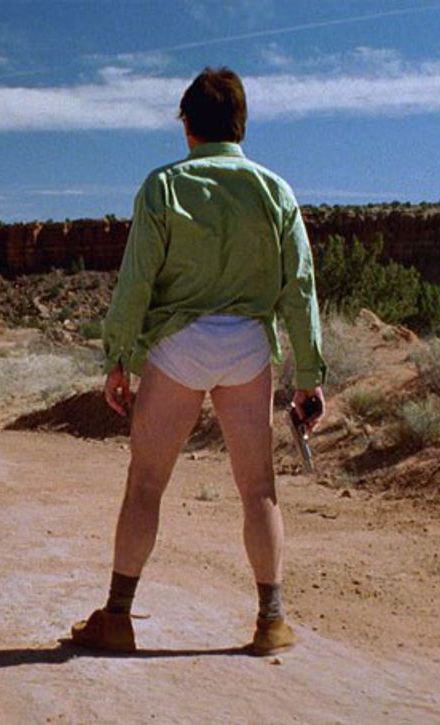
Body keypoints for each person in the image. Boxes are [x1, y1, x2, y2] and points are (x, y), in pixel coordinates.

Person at [70, 66, 327, 657]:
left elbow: (136, 281)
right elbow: (300, 287)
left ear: (187, 126)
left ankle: (118, 617)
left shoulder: (163, 187)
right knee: (258, 489)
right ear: (241, 126)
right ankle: (271, 621)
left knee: (146, 484)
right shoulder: (275, 191)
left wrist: (119, 358)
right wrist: (309, 377)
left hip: (179, 345)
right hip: (247, 348)